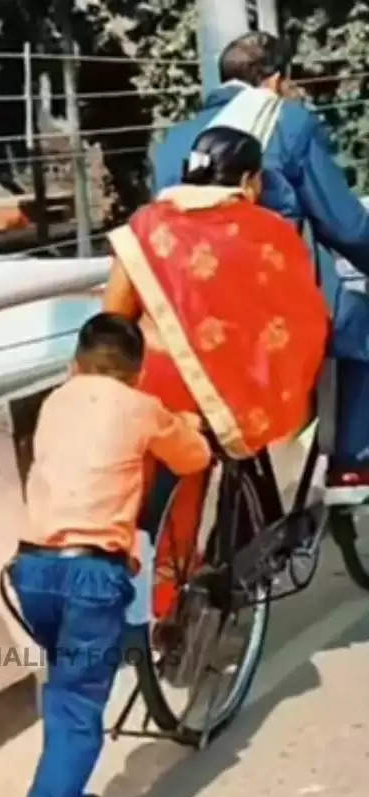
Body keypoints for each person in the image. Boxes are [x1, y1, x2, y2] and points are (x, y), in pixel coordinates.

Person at [107, 126, 328, 618]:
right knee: (195, 477)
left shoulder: (145, 226)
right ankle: (167, 610)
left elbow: (114, 316)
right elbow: (298, 319)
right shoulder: (267, 230)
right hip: (224, 396)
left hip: (146, 385)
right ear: (250, 181)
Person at [152, 30, 369, 495]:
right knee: (360, 328)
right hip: (270, 301)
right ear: (275, 81)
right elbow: (344, 224)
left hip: (188, 308)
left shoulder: (173, 140)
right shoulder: (288, 122)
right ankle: (352, 462)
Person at [11, 312, 211, 797]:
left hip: (31, 571)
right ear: (138, 371)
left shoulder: (54, 401)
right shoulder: (141, 406)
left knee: (65, 690)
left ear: (76, 364)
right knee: (79, 704)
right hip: (92, 575)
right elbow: (194, 458)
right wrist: (183, 424)